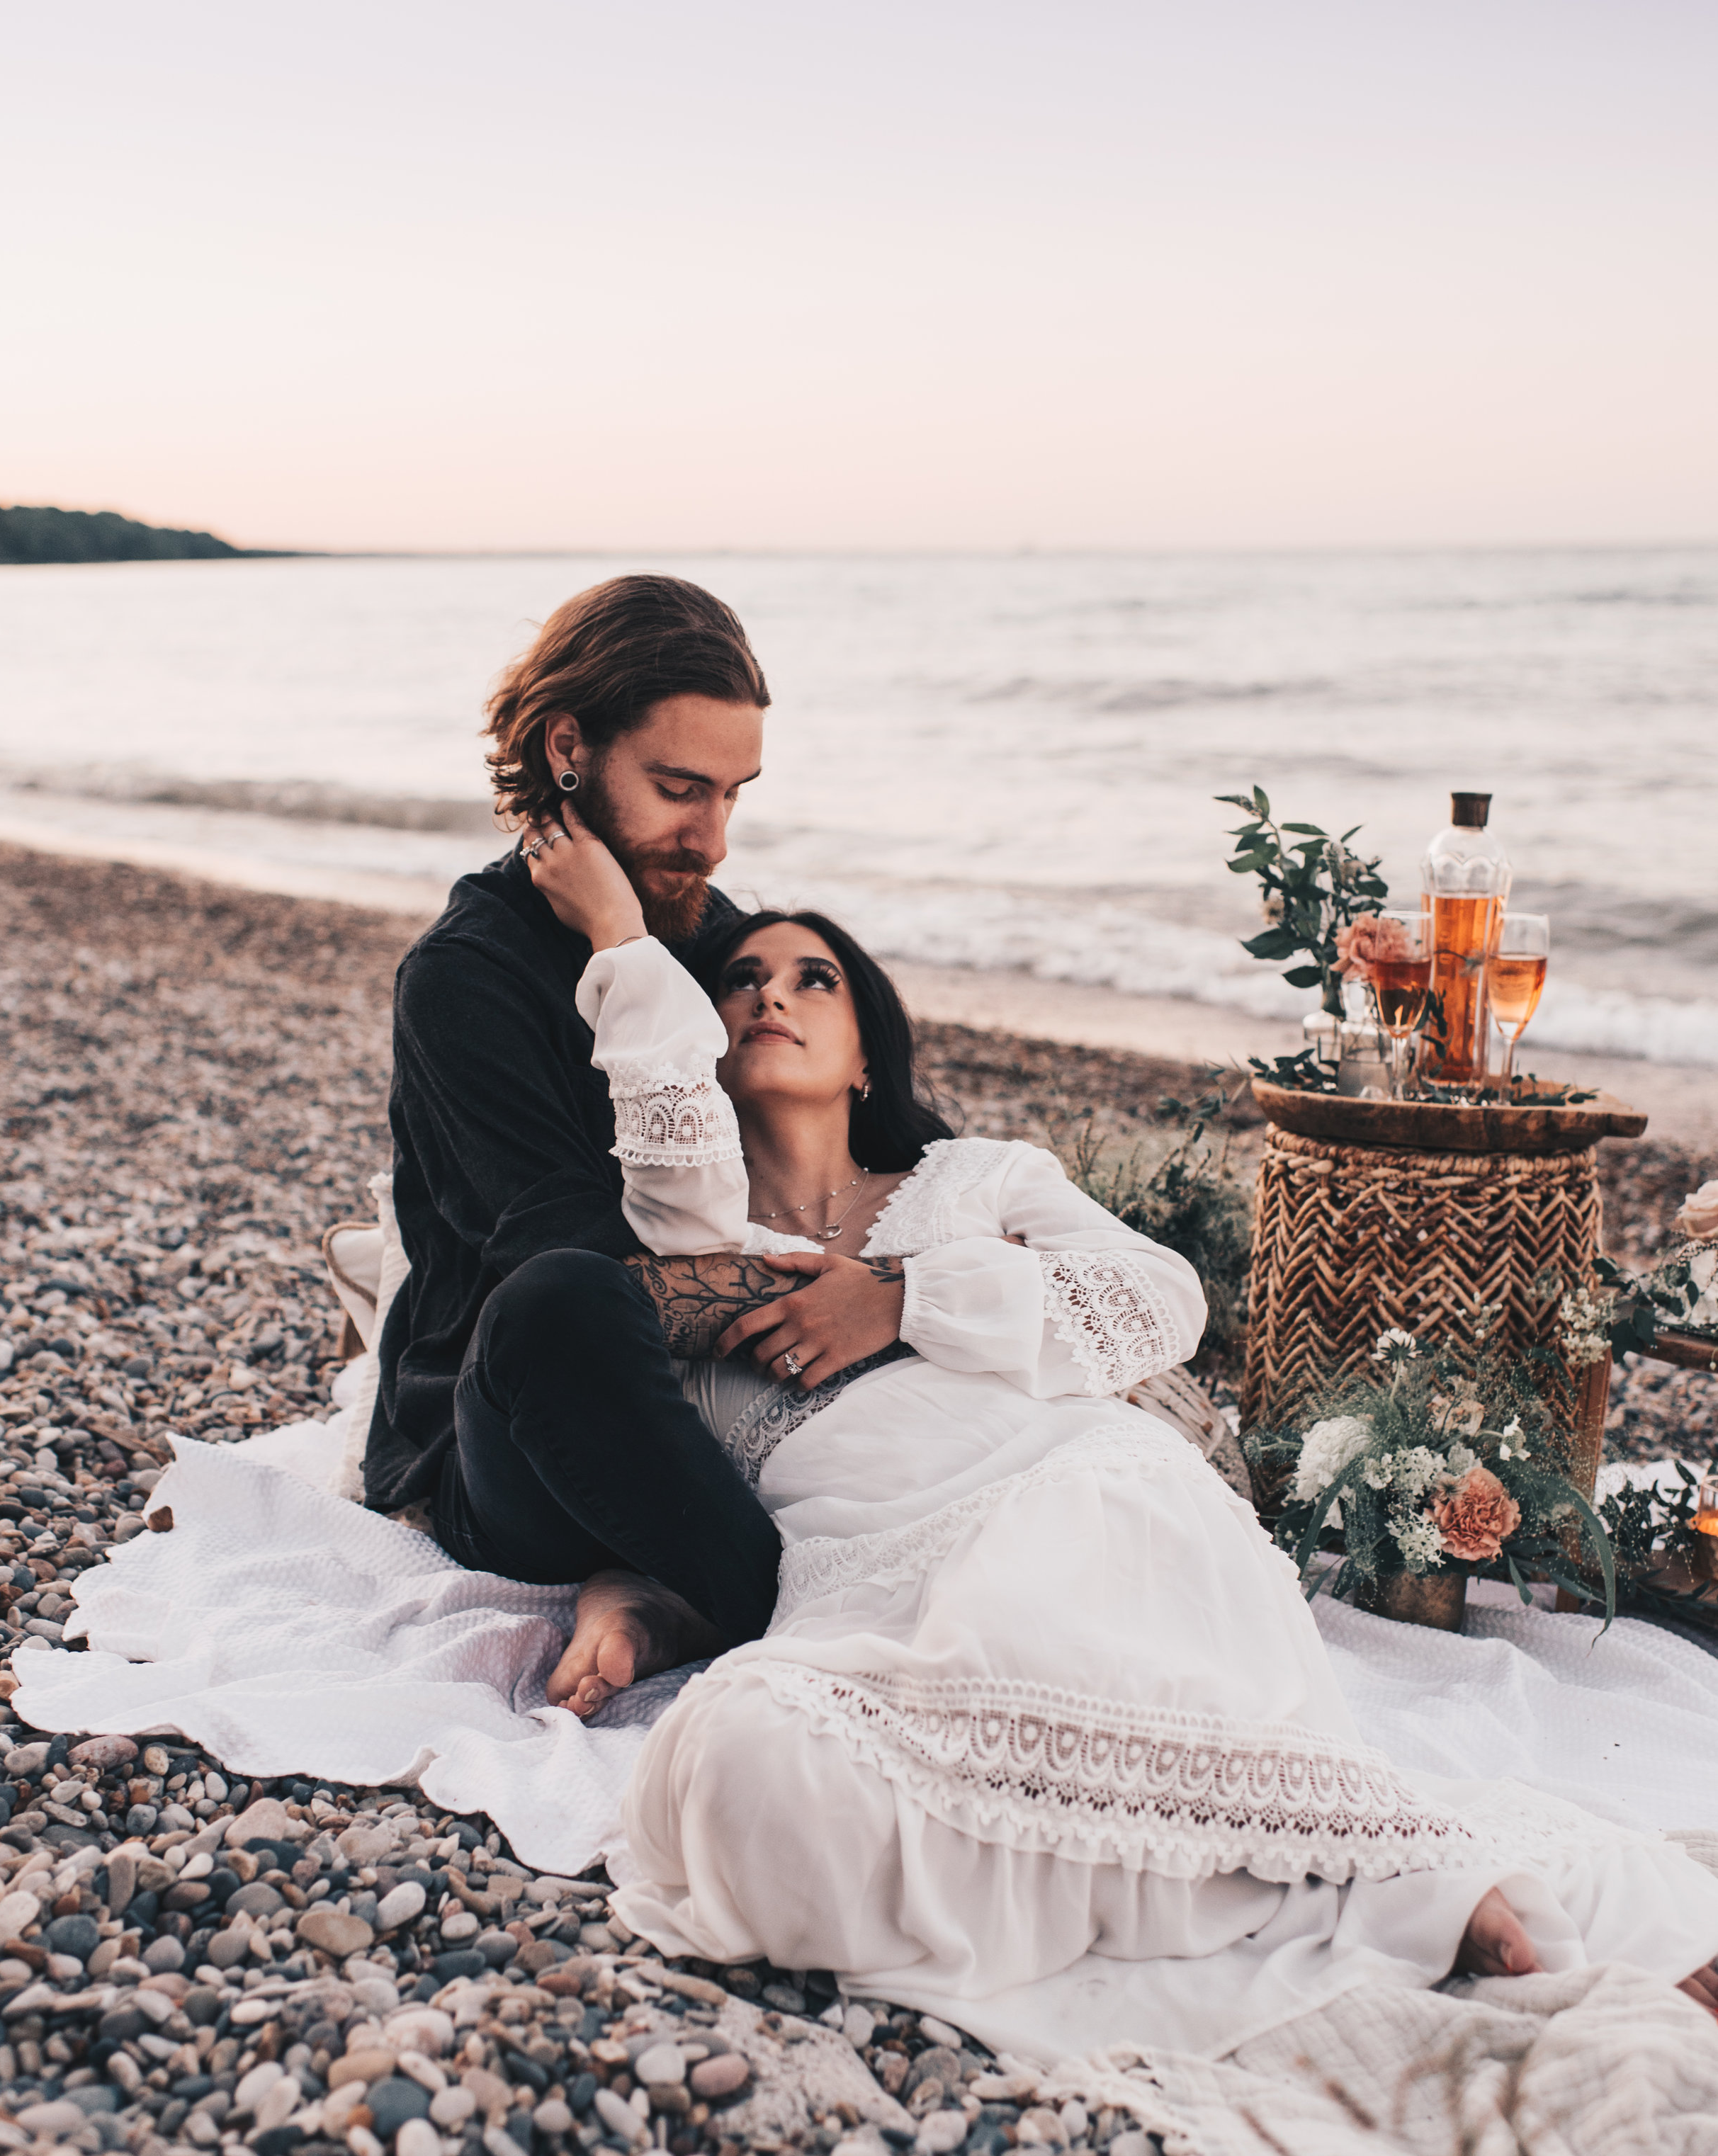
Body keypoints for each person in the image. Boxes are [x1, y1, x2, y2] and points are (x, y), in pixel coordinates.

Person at [524, 811, 1718, 2061]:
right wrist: (618, 935)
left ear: (869, 1053)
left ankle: (1362, 1858)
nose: (771, 994)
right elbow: (666, 1182)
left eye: (812, 977)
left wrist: (908, 1298)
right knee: (737, 1775)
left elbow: (1163, 1300)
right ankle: (1279, 1872)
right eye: (740, 982)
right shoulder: (695, 1246)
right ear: (700, 1036)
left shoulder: (973, 1181)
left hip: (1072, 1496)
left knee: (1063, 1582)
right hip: (864, 1581)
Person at [364, 574, 908, 1714]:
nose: (708, 838)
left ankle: (682, 1588)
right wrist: (819, 1291)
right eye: (678, 789)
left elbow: (884, 1136)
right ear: (570, 748)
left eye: (732, 795)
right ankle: (808, 1616)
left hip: (729, 1399)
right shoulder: (467, 979)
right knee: (561, 1299)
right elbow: (586, 1258)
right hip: (515, 1442)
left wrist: (901, 1291)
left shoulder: (711, 935)